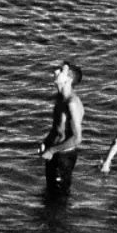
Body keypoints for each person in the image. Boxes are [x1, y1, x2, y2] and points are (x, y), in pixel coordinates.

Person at [38, 60, 84, 197]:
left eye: (62, 70)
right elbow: (57, 128)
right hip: (54, 152)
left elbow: (77, 139)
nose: (57, 71)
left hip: (64, 156)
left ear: (68, 80)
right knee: (50, 193)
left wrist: (52, 150)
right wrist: (46, 143)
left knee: (59, 197)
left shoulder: (72, 103)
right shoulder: (59, 99)